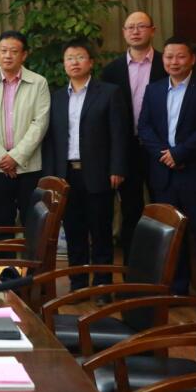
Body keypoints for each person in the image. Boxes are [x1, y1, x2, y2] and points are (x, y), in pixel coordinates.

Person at [43, 40, 129, 294]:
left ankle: (102, 286)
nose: (75, 62)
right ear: (64, 64)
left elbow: (119, 134)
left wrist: (117, 168)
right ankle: (78, 284)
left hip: (99, 173)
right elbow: (51, 140)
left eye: (80, 57)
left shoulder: (109, 93)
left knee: (101, 232)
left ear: (91, 62)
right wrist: (53, 177)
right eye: (70, 58)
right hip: (67, 174)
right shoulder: (57, 97)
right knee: (74, 232)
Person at [138, 37, 196, 295]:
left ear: (192, 59)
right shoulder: (153, 90)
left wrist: (180, 153)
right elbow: (144, 127)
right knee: (173, 236)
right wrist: (164, 155)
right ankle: (177, 289)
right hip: (164, 176)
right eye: (169, 57)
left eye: (180, 56)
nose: (174, 62)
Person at [100, 11, 168, 262]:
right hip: (126, 149)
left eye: (141, 26)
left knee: (164, 209)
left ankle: (164, 268)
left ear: (153, 30)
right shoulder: (111, 71)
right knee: (131, 210)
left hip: (161, 149)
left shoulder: (166, 64)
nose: (136, 31)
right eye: (130, 27)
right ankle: (132, 268)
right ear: (124, 33)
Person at [0, 31, 50, 226]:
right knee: (1, 222)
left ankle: (29, 250)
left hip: (28, 166)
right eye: (3, 50)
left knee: (32, 222)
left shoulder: (39, 83)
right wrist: (3, 158)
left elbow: (40, 123)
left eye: (14, 51)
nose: (8, 56)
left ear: (24, 55)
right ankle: (3, 250)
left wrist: (16, 157)